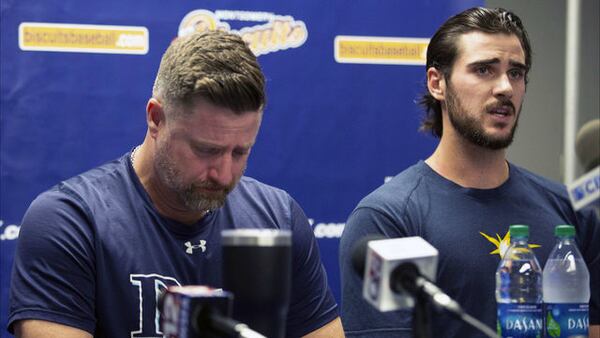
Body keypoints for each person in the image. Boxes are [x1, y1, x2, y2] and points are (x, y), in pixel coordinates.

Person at [8, 30, 344, 338]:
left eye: (241, 152)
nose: (224, 175)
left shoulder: (277, 219)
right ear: (156, 119)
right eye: (205, 150)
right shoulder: (71, 221)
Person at [339, 7, 599, 338]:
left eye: (516, 73)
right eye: (484, 70)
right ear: (437, 83)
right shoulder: (388, 218)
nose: (505, 87)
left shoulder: (570, 213)